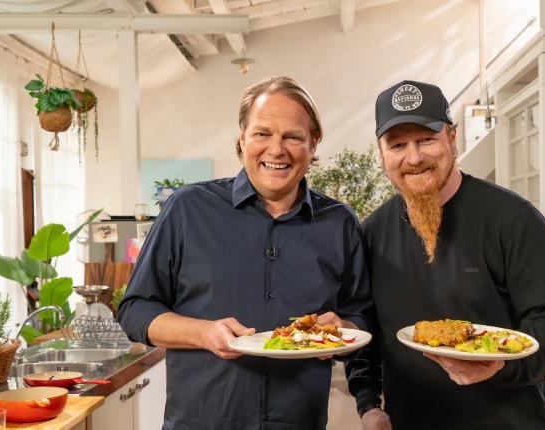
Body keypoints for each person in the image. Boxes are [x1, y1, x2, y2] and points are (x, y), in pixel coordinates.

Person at [117, 76, 372, 430]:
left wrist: (342, 328)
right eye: (262, 133)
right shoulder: (188, 209)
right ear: (242, 138)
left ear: (314, 143)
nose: (276, 150)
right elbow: (135, 310)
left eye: (293, 137)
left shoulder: (339, 223)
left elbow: (361, 314)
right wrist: (204, 333)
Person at [345, 80, 545, 429]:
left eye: (426, 139)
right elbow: (365, 335)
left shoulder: (514, 220)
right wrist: (368, 406)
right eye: (397, 145)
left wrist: (502, 364)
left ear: (452, 138)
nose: (414, 157)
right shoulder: (371, 233)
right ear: (382, 154)